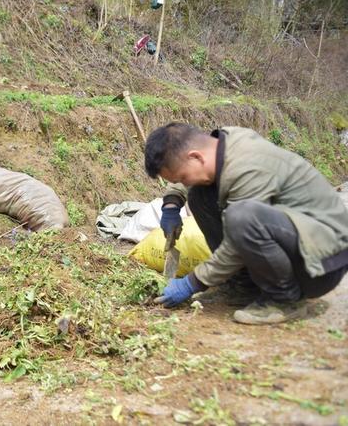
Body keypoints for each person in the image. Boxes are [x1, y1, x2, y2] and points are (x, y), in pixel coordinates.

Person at [144, 123, 348, 324]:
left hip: (323, 264)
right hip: (298, 242)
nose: (184, 183)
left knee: (241, 216)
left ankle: (284, 299)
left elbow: (237, 241)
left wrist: (193, 282)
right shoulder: (219, 147)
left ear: (196, 156)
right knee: (199, 195)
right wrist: (171, 205)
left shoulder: (247, 166)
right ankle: (243, 286)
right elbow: (185, 173)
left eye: (183, 177)